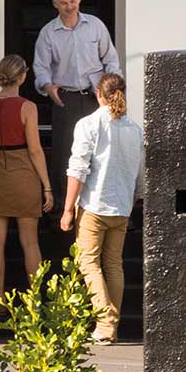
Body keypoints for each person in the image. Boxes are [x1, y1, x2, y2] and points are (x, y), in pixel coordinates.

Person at [60, 73, 142, 343]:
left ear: (98, 94)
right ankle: (111, 329)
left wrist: (68, 208)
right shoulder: (134, 129)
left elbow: (78, 169)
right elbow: (139, 171)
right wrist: (136, 197)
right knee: (113, 265)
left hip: (95, 204)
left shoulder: (89, 124)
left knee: (88, 263)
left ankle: (105, 324)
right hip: (121, 206)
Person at [33, 0, 120, 203]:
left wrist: (110, 90)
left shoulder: (96, 26)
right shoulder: (48, 33)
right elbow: (40, 68)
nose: (69, 7)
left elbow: (111, 59)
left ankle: (103, 204)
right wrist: (48, 88)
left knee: (103, 151)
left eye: (73, 1)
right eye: (64, 3)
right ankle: (63, 209)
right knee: (65, 155)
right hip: (66, 99)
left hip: (97, 98)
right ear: (55, 4)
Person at [0, 55, 53, 308]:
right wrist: (47, 186)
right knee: (29, 241)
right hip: (23, 174)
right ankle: (35, 301)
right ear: (22, 76)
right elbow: (35, 151)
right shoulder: (27, 107)